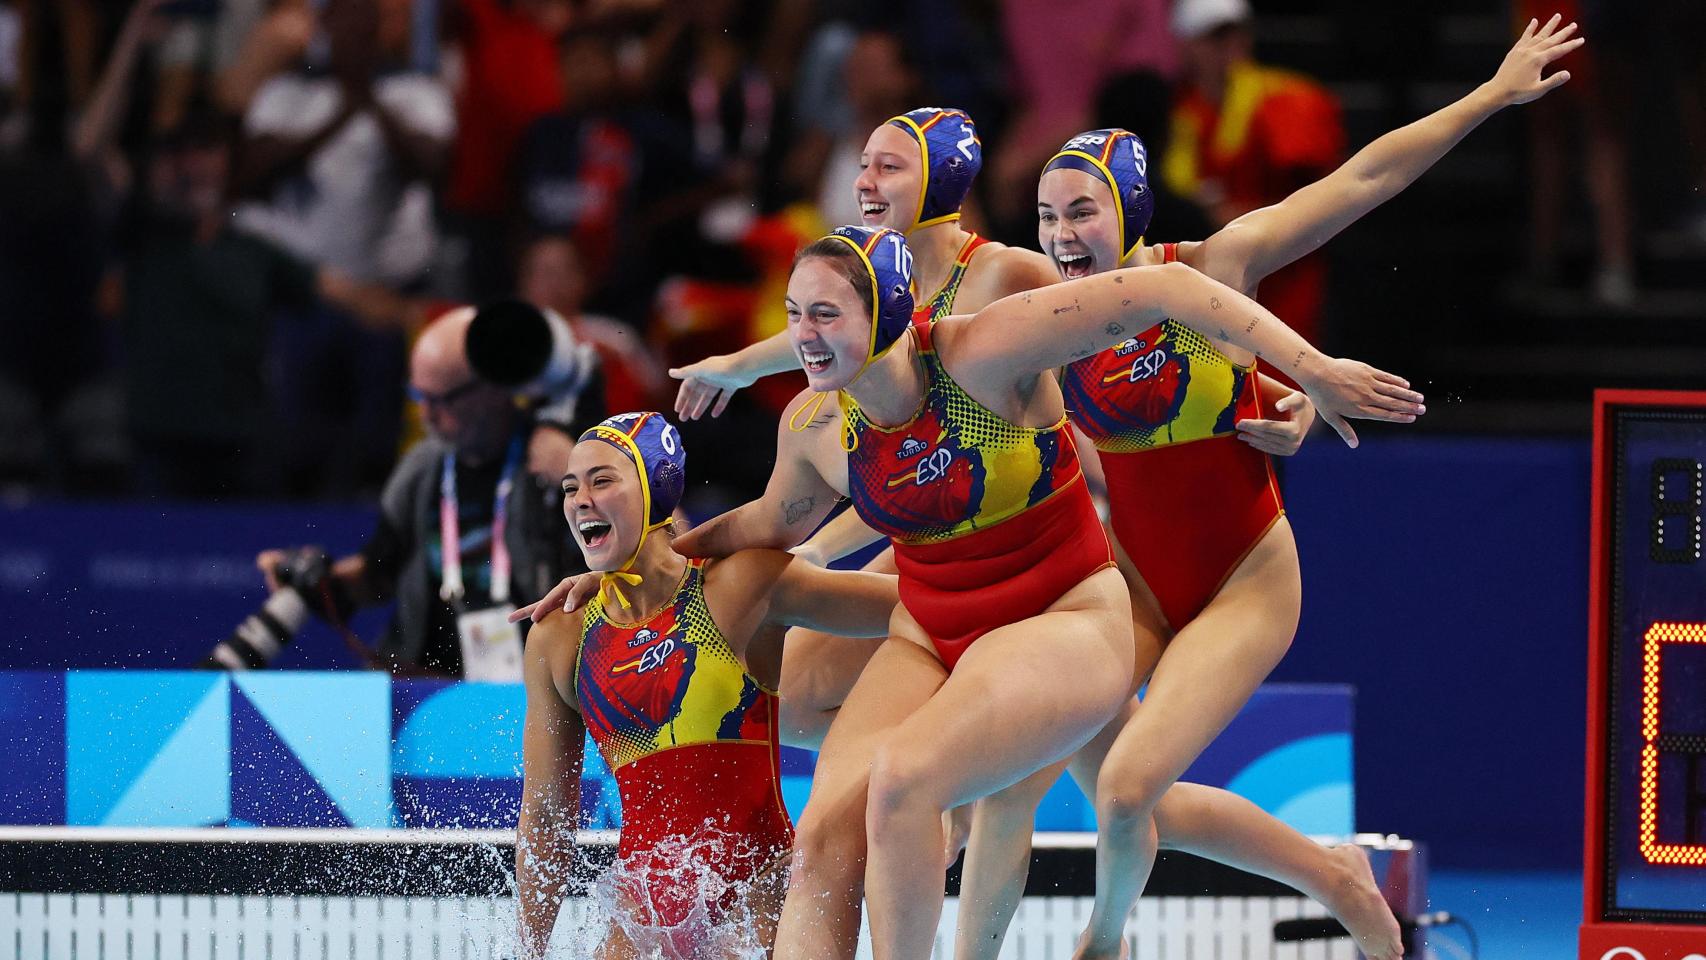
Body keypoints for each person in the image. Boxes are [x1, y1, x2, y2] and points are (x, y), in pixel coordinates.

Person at [960, 21, 1579, 960]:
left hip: (1245, 580)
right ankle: (1330, 874)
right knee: (1019, 780)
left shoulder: (1213, 269)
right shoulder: (1051, 324)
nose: (1060, 237)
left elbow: (1361, 181)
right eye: (1047, 217)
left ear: (1128, 211)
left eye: (1081, 212)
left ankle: (1103, 946)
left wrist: (1492, 94)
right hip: (1132, 587)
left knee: (1126, 791)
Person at [668, 225, 1421, 956]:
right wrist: (651, 560)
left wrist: (1311, 368)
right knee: (832, 830)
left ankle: (1120, 932)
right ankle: (1330, 873)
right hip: (933, 634)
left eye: (824, 314)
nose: (802, 334)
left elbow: (1170, 287)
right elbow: (766, 524)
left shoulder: (983, 348)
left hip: (1064, 626)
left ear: (891, 310)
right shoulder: (815, 426)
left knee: (911, 781)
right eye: (795, 314)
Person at [514, 412, 899, 959]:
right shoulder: (560, 637)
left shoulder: (737, 585)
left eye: (603, 481)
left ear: (656, 489)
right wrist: (527, 950)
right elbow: (547, 815)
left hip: (762, 901)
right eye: (571, 487)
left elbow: (909, 606)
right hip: (643, 922)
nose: (580, 500)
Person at [217, 309, 596, 677]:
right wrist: (320, 582)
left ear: (493, 390)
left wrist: (580, 475)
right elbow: (379, 574)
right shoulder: (422, 467)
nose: (425, 415)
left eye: (441, 400)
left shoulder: (555, 461)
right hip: (428, 684)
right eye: (419, 396)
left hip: (542, 685)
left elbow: (622, 567)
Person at [1160, 0, 1344, 350]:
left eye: (1235, 33)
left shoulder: (1288, 98)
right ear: (1184, 47)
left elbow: (1325, 195)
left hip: (1282, 278)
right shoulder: (1174, 113)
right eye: (1213, 38)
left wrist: (1233, 216)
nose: (1229, 46)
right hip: (1204, 284)